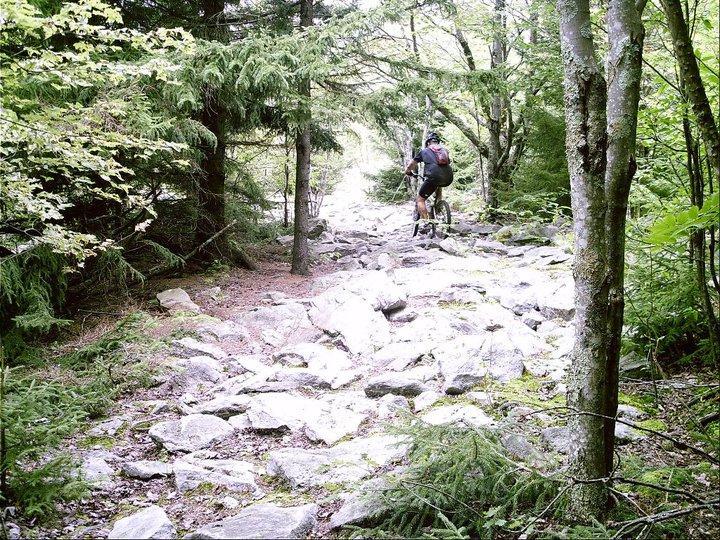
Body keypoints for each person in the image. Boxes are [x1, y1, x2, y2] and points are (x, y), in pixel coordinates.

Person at [404, 132, 454, 219]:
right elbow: (447, 162)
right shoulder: (444, 151)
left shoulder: (425, 151)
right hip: (449, 177)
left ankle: (427, 222)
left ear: (428, 142)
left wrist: (408, 171)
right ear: (437, 142)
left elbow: (411, 164)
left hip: (433, 177)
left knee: (420, 200)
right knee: (438, 184)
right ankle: (439, 207)